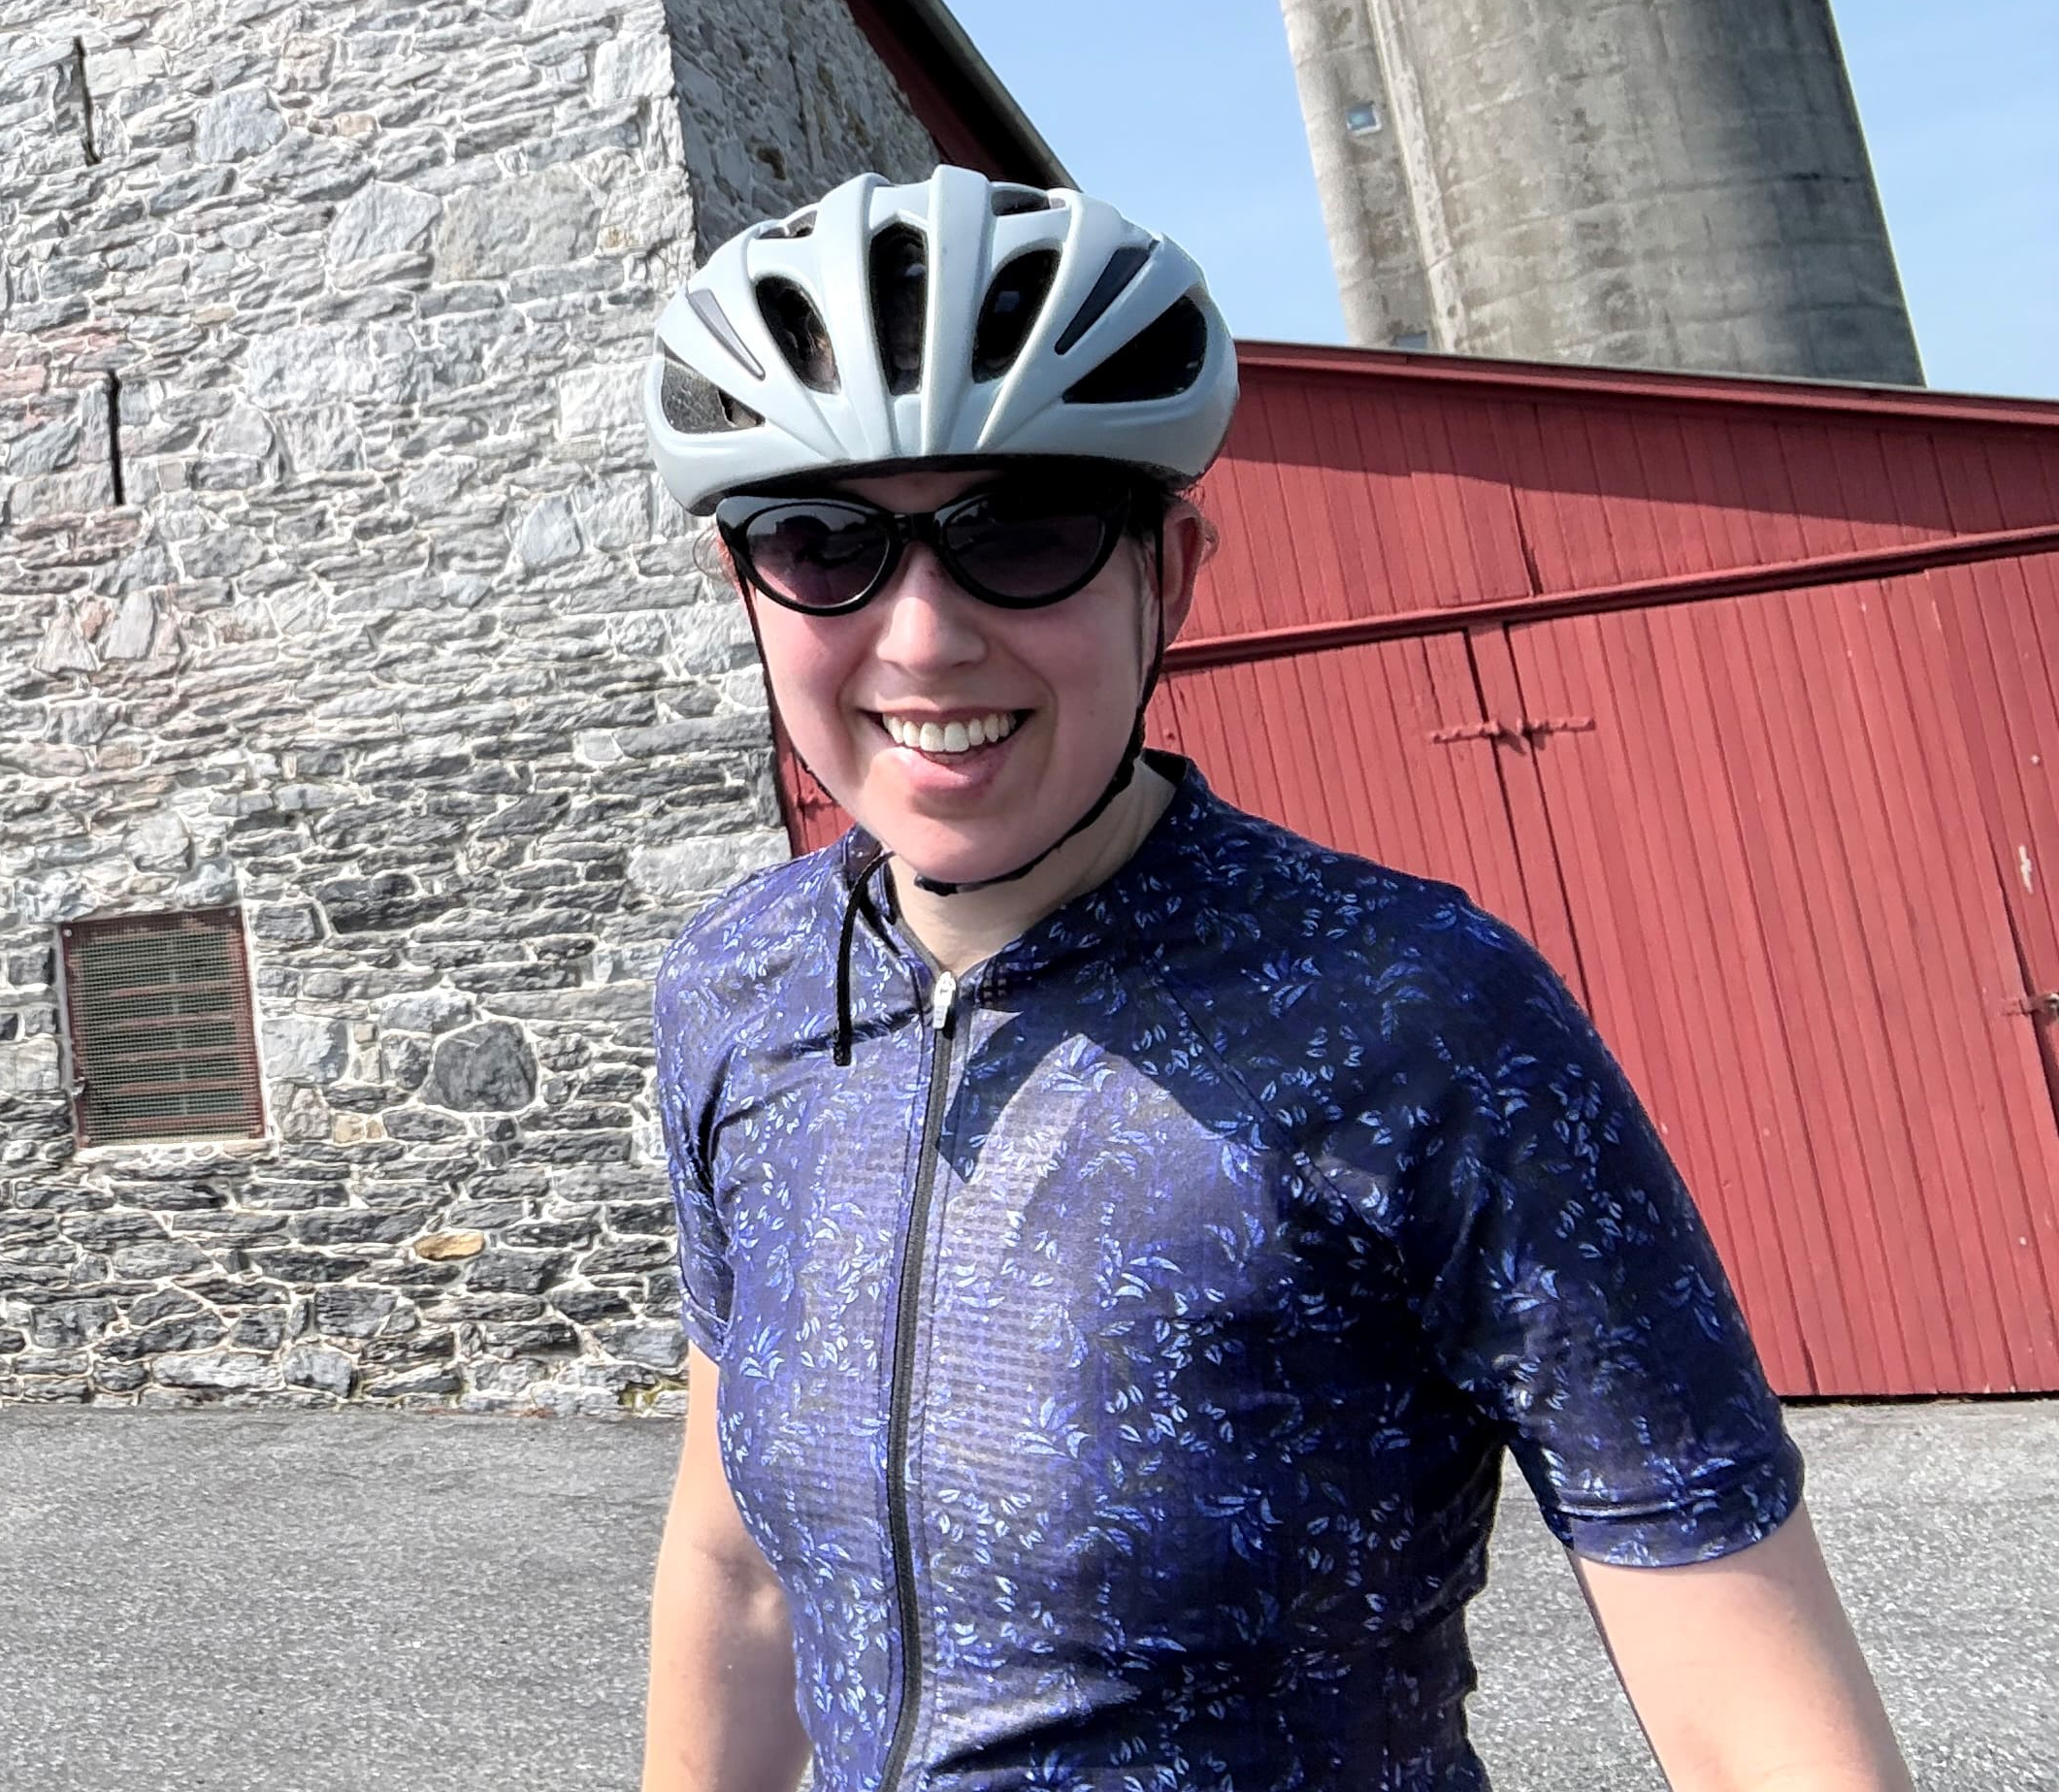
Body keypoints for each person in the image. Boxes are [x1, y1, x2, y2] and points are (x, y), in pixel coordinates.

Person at [633, 167, 1909, 1792]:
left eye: (1018, 534)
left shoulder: (1419, 1012)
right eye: (827, 547)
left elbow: (1753, 1711)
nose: (923, 636)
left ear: (1170, 571)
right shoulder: (738, 992)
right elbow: (736, 1570)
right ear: (750, 585)